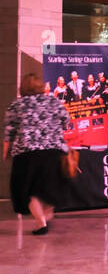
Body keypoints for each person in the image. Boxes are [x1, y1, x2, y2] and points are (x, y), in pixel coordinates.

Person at [4, 73, 72, 235]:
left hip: (26, 154)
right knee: (47, 189)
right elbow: (66, 123)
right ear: (41, 86)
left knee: (28, 191)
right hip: (53, 152)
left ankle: (41, 221)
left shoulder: (16, 105)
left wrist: (5, 152)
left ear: (23, 87)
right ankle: (45, 216)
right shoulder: (54, 102)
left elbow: (9, 133)